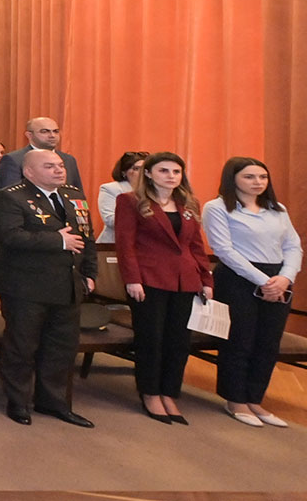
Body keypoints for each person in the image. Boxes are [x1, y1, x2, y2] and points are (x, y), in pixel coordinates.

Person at [0, 149, 97, 427]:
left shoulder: (73, 195)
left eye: (60, 165)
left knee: (61, 347)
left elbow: (86, 236)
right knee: (22, 346)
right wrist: (57, 241)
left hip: (68, 284)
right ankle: (18, 402)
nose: (59, 170)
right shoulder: (10, 197)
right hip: (26, 285)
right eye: (49, 166)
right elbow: (10, 236)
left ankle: (53, 402)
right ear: (29, 172)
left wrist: (90, 272)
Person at [114, 152, 211, 425]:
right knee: (151, 339)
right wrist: (132, 279)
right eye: (164, 171)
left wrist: (206, 280)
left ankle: (169, 392)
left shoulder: (189, 203)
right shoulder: (130, 201)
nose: (171, 176)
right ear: (148, 173)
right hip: (148, 279)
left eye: (176, 171)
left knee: (178, 341)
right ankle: (150, 392)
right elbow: (125, 244)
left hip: (185, 280)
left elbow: (196, 246)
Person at [204, 157, 300, 427]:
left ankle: (255, 399)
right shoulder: (217, 207)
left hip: (278, 279)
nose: (258, 182)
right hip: (238, 279)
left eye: (262, 177)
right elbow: (224, 250)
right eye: (249, 177)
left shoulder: (277, 209)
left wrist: (285, 277)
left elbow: (293, 246)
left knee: (268, 343)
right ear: (232, 178)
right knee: (239, 341)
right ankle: (235, 400)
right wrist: (264, 281)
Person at [0, 116, 82, 190]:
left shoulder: (68, 159)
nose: (52, 135)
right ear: (29, 135)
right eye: (44, 131)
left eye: (56, 131)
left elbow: (76, 193)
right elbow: (9, 195)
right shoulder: (15, 159)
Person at [98, 151, 147, 244]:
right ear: (124, 172)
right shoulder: (111, 189)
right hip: (114, 244)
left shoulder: (155, 190)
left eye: (145, 169)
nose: (142, 173)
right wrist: (144, 221)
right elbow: (110, 219)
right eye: (136, 169)